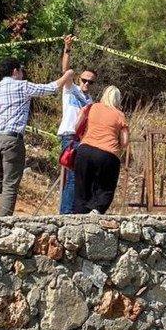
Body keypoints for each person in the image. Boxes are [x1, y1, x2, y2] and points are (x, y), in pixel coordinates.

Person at [0, 58, 74, 216]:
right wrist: (67, 76)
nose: (22, 73)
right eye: (21, 70)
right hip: (12, 140)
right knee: (10, 184)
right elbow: (50, 88)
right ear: (14, 71)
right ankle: (2, 221)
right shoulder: (23, 86)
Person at [71, 85, 129, 214]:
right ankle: (97, 210)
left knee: (82, 187)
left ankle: (78, 216)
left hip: (85, 150)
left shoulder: (91, 107)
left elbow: (76, 126)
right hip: (108, 155)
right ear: (118, 99)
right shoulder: (120, 115)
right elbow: (125, 142)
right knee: (105, 187)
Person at [57, 35, 96, 214]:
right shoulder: (70, 89)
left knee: (79, 177)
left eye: (90, 81)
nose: (86, 83)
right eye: (84, 80)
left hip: (83, 139)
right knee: (71, 177)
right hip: (69, 136)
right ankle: (66, 213)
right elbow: (66, 70)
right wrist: (67, 48)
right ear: (79, 79)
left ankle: (74, 211)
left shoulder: (90, 101)